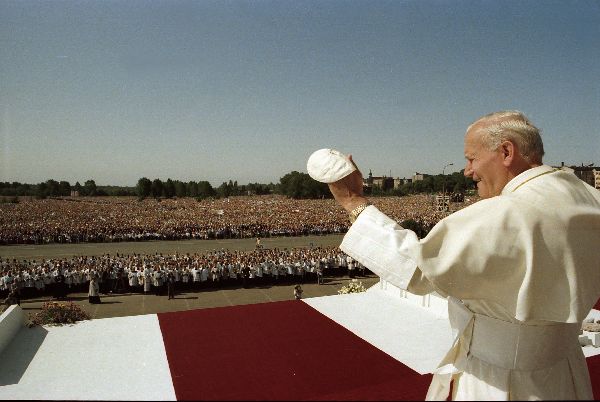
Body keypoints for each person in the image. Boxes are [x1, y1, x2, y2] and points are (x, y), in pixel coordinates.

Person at [327, 110, 600, 400]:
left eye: (471, 158)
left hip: (502, 383)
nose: (467, 171)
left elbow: (419, 270)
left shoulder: (507, 213)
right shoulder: (585, 195)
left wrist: (352, 202)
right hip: (565, 374)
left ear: (507, 151)